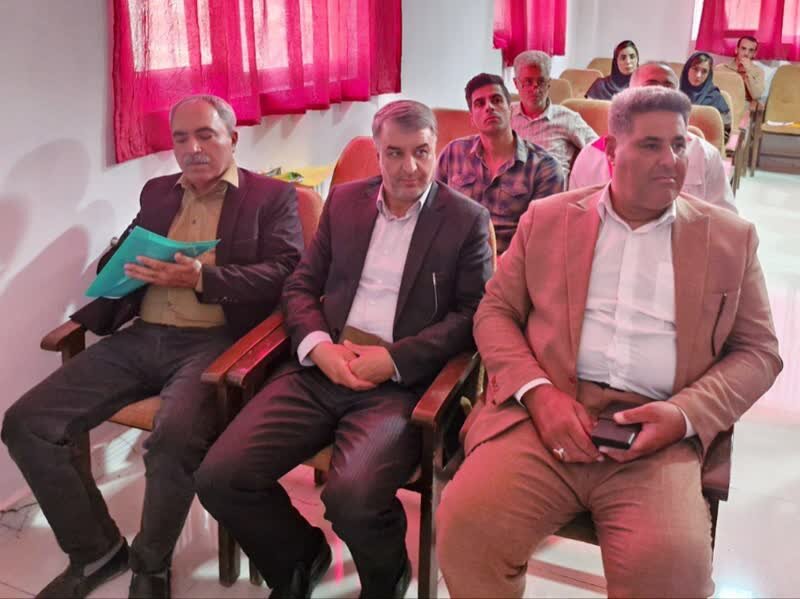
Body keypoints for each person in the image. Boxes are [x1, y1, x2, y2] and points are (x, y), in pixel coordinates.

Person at [435, 86, 782, 598]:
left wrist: (683, 415)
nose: (671, 160)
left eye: (679, 145)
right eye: (651, 145)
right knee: (467, 530)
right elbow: (495, 311)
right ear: (612, 151)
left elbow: (759, 352)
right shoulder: (548, 219)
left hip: (655, 437)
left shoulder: (729, 239)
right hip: (544, 421)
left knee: (671, 576)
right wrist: (538, 394)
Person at [1, 94, 303, 599]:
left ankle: (151, 563)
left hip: (216, 342)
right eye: (181, 138)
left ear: (232, 138)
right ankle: (97, 551)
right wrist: (124, 263)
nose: (193, 148)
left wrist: (201, 278)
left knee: (173, 439)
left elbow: (286, 274)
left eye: (205, 135)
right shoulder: (159, 192)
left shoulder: (271, 197)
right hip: (142, 335)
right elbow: (120, 258)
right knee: (27, 423)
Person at [194, 100, 493, 599]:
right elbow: (301, 284)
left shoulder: (465, 220)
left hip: (400, 385)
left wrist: (393, 360)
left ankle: (387, 578)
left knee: (352, 498)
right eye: (394, 153)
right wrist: (319, 348)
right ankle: (299, 558)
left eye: (421, 152)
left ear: (437, 150)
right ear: (377, 153)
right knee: (219, 477)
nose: (409, 167)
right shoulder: (345, 201)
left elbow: (471, 317)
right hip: (323, 367)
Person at [570, 61, 736, 212]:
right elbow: (575, 215)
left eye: (669, 88)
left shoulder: (704, 154)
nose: (661, 96)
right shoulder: (593, 155)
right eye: (650, 88)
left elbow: (725, 218)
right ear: (629, 95)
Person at [437, 73, 564, 253]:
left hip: (510, 262)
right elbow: (435, 212)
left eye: (496, 100)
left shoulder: (545, 167)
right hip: (455, 258)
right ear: (472, 118)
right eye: (479, 103)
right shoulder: (453, 153)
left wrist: (496, 266)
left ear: (510, 110)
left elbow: (541, 239)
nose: (489, 107)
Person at [510, 50, 598, 178]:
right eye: (528, 82)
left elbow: (599, 148)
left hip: (550, 186)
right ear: (516, 83)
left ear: (549, 83)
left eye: (541, 81)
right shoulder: (505, 116)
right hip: (510, 186)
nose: (535, 88)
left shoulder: (568, 118)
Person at [681, 52, 732, 141]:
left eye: (704, 71)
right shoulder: (675, 93)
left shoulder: (715, 98)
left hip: (705, 145)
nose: (698, 75)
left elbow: (725, 134)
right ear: (687, 69)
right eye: (695, 69)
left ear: (709, 74)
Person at [718, 35, 766, 104]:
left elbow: (756, 96)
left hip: (744, 107)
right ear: (736, 50)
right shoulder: (721, 68)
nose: (746, 53)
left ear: (754, 54)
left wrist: (748, 72)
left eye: (751, 50)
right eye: (743, 49)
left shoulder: (758, 72)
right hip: (724, 104)